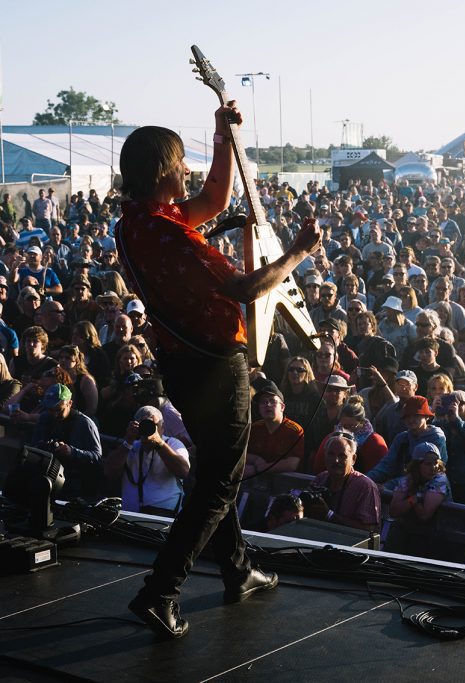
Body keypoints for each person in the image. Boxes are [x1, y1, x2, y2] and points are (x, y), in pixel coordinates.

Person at [116, 108, 321, 637]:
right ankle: (160, 592)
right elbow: (246, 289)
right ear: (164, 172)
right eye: (182, 164)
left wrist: (222, 138)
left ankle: (237, 571)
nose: (187, 172)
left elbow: (214, 201)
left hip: (182, 366)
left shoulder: (135, 223)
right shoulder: (171, 236)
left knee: (212, 471)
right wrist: (298, 253)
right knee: (218, 484)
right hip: (215, 367)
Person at [104, 405, 190, 515]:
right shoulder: (131, 447)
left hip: (165, 518)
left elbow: (183, 471)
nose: (149, 429)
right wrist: (128, 441)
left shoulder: (173, 444)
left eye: (155, 425)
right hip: (131, 517)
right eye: (144, 425)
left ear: (162, 427)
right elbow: (109, 472)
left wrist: (159, 443)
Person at [30, 383, 102, 499]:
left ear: (70, 403)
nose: (54, 414)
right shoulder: (44, 418)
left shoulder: (85, 423)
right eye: (50, 409)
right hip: (46, 481)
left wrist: (72, 452)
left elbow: (97, 457)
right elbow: (33, 445)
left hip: (75, 487)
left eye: (59, 409)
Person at [309, 432, 381, 531]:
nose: (336, 460)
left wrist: (329, 515)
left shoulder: (365, 487)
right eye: (331, 454)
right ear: (325, 456)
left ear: (353, 459)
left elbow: (370, 529)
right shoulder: (320, 479)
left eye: (342, 456)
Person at [244, 382, 304, 478]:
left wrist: (258, 469)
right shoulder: (254, 428)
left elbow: (292, 464)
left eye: (272, 401)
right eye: (263, 402)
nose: (268, 404)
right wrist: (255, 459)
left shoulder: (295, 430)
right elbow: (242, 454)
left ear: (282, 407)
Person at [388, 442, 452, 522]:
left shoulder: (440, 480)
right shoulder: (408, 479)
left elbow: (424, 515)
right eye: (428, 464)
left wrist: (415, 498)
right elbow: (394, 511)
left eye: (435, 463)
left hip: (442, 530)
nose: (433, 468)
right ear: (416, 466)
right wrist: (413, 499)